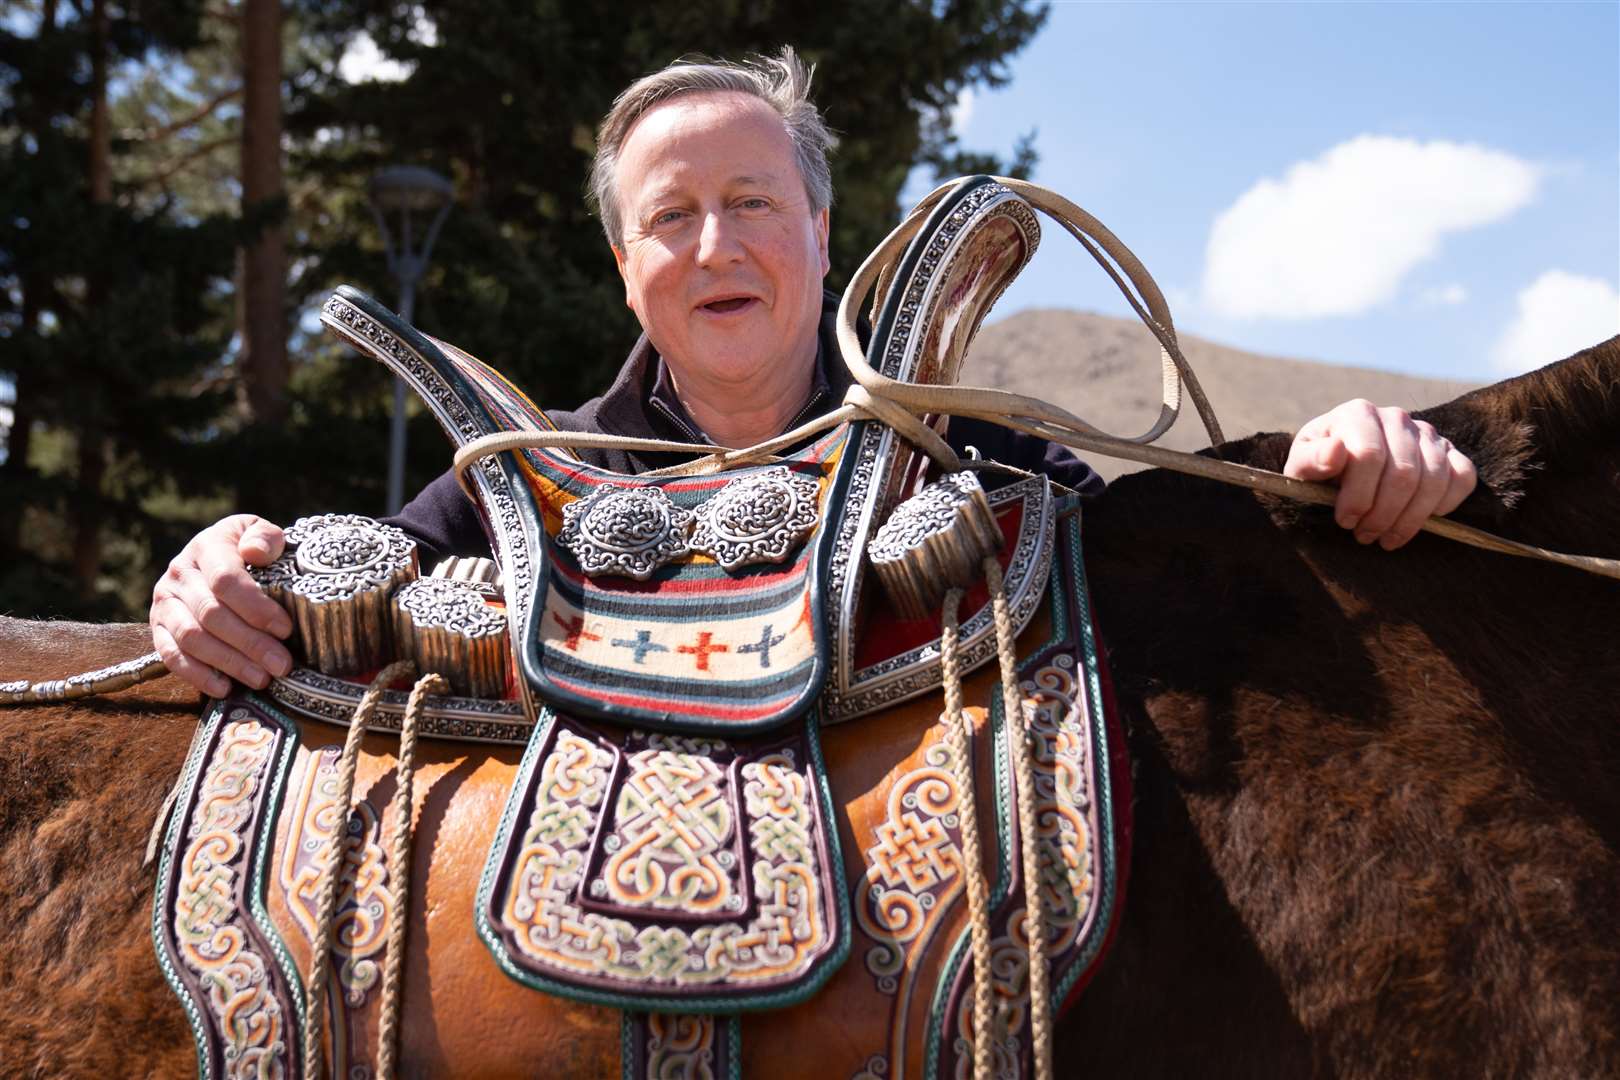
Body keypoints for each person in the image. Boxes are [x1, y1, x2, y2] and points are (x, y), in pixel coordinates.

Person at [149, 48, 1479, 699]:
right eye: (670, 217)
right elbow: (335, 575)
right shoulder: (527, 480)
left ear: (822, 231)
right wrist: (213, 570)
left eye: (751, 201)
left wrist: (1332, 461)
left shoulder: (971, 464)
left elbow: (1166, 551)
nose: (714, 245)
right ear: (626, 267)